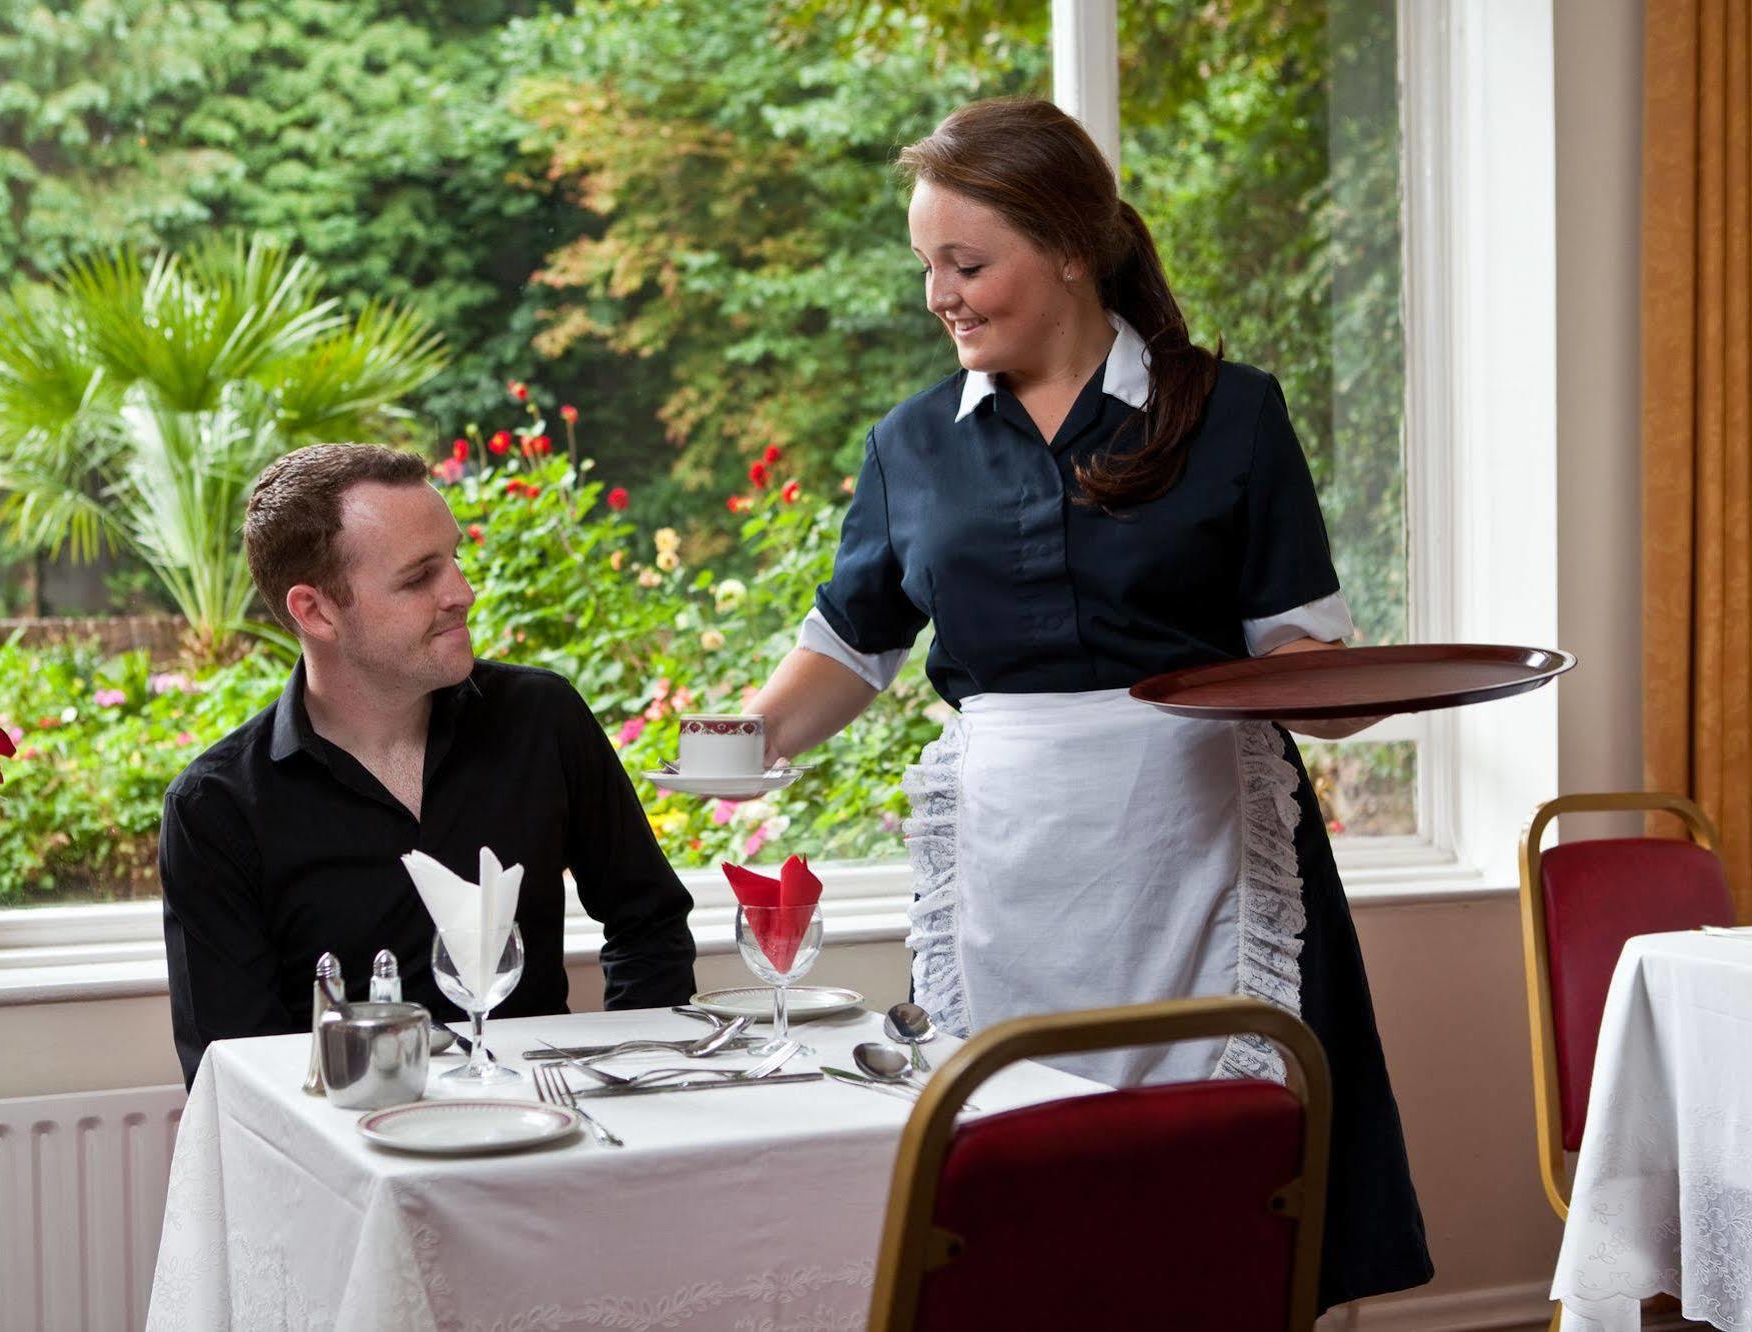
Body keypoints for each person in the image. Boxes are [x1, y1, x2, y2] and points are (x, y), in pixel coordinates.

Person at [739, 98, 1431, 1308]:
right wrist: (728, 751)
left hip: (1205, 858)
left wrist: (1349, 697)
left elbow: (1301, 657)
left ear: (1067, 247)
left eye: (965, 264)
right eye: (925, 267)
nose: (936, 297)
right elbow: (852, 647)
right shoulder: (912, 445)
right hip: (1011, 877)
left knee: (1235, 1197)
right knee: (1024, 1209)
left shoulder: (1230, 412)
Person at [160, 443, 696, 1089]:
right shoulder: (215, 807)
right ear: (315, 611)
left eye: (454, 561)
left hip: (547, 1131)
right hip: (351, 1152)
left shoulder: (541, 717)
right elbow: (233, 1065)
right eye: (419, 578)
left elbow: (649, 922)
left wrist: (637, 1075)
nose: (463, 593)